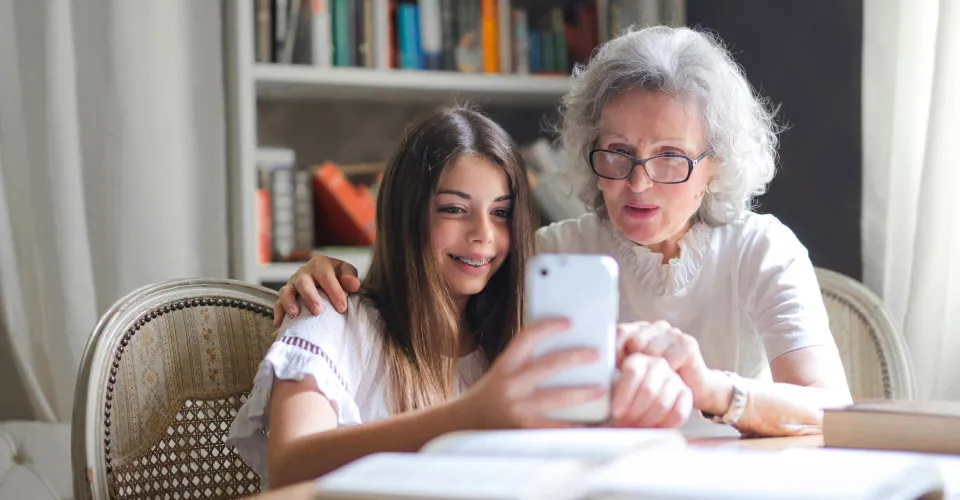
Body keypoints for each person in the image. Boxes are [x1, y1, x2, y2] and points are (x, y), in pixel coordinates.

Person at [274, 26, 854, 438]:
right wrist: (328, 274)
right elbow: (429, 301)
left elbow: (832, 409)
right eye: (618, 153)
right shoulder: (546, 256)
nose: (639, 184)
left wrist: (710, 389)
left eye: (671, 158)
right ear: (587, 149)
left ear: (716, 165)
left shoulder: (762, 248)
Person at [228, 105, 692, 490]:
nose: (483, 237)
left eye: (502, 213)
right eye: (454, 209)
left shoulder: (514, 340)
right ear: (407, 214)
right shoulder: (330, 315)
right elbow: (290, 465)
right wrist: (471, 415)